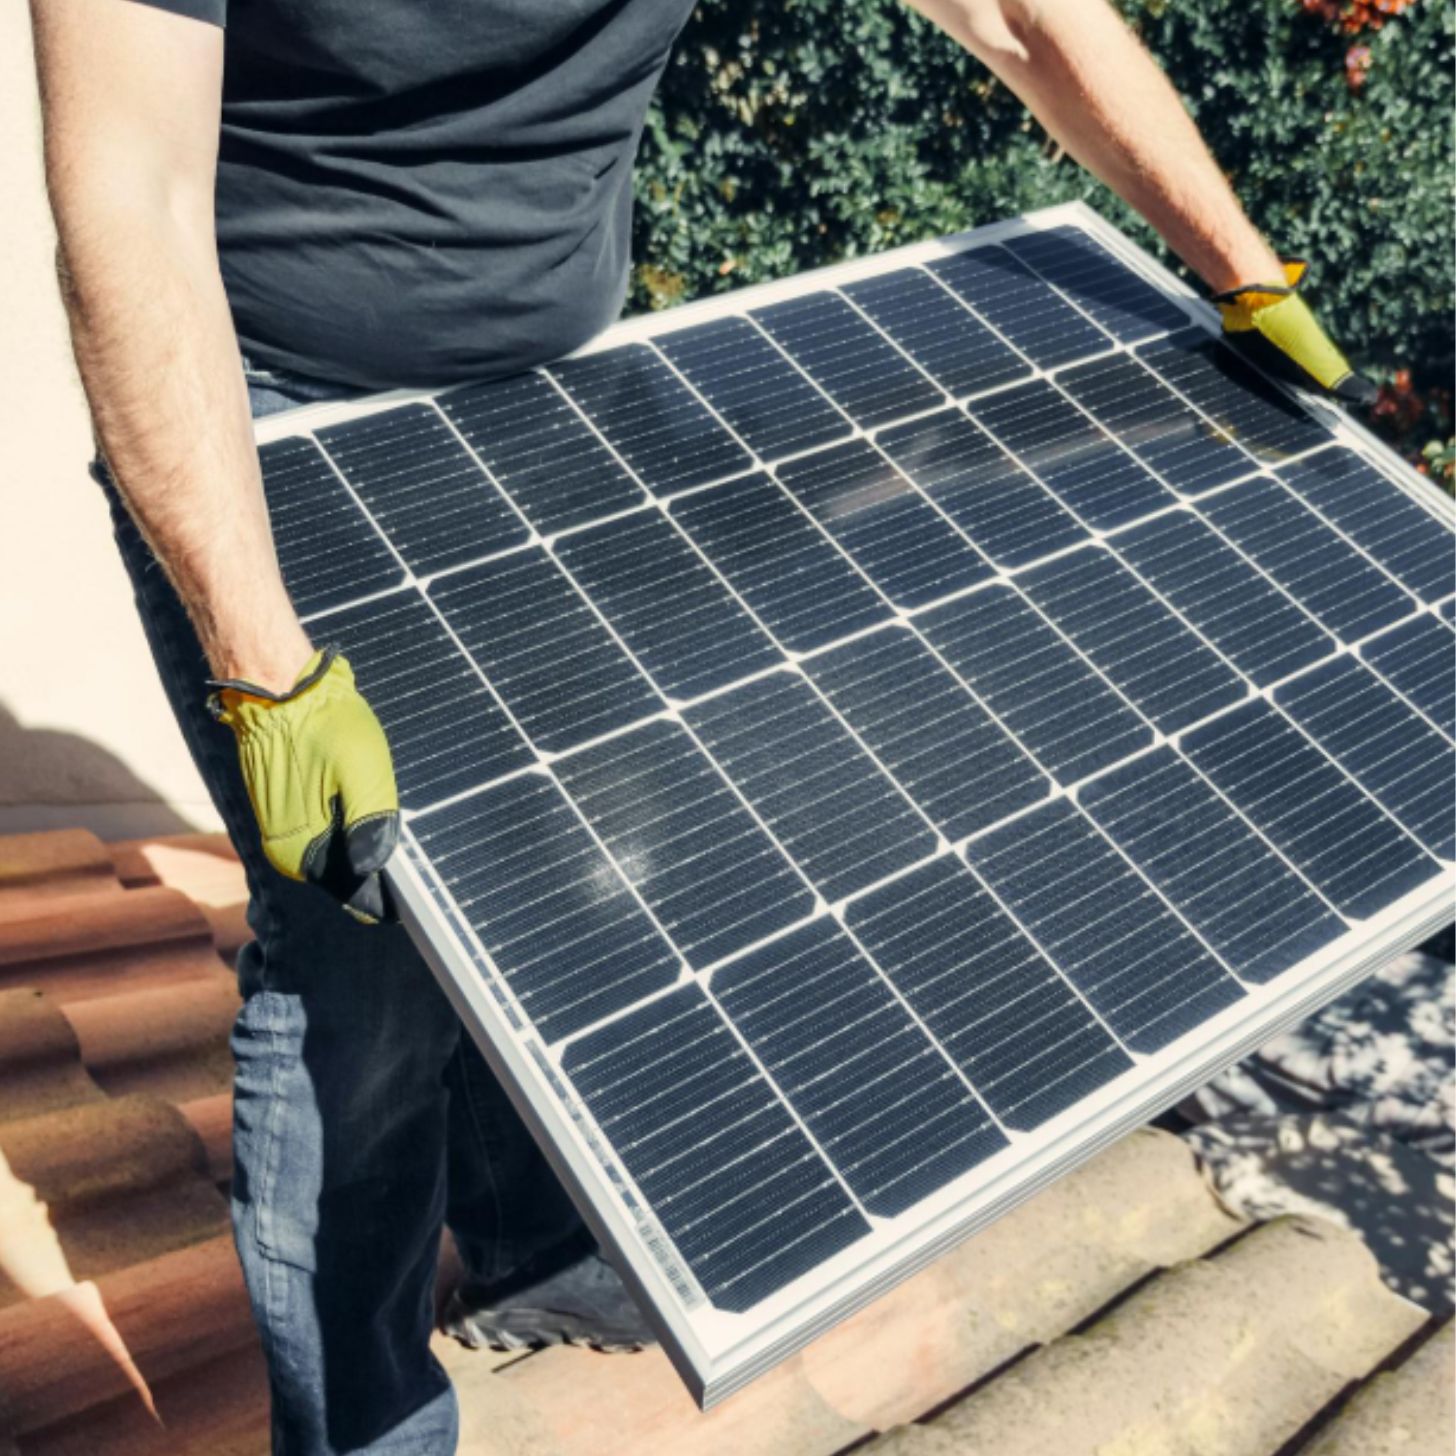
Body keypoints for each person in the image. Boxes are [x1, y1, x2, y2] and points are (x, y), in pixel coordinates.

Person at [27, 1, 1374, 1451]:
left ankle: (529, 1252)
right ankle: (367, 1426)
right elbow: (130, 200)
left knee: (526, 862)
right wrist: (260, 663)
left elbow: (1017, 15)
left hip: (552, 396)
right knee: (353, 969)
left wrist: (1241, 268)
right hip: (267, 408)